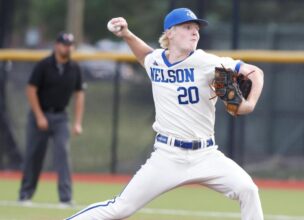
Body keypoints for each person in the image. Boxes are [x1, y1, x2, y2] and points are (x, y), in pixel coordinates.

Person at [67, 8, 264, 220]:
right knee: (121, 208)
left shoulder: (206, 63)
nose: (195, 33)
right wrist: (126, 34)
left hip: (206, 154)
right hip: (168, 155)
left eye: (196, 29)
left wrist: (249, 103)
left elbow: (255, 72)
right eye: (187, 27)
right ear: (169, 33)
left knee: (248, 190)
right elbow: (144, 55)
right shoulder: (157, 61)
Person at [19, 32, 85, 206]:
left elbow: (79, 95)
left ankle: (66, 198)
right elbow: (31, 90)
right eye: (64, 44)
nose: (67, 47)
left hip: (61, 116)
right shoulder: (44, 65)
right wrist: (39, 116)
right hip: (39, 116)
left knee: (63, 154)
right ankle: (25, 195)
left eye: (70, 44)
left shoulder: (75, 68)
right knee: (35, 155)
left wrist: (78, 122)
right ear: (57, 45)